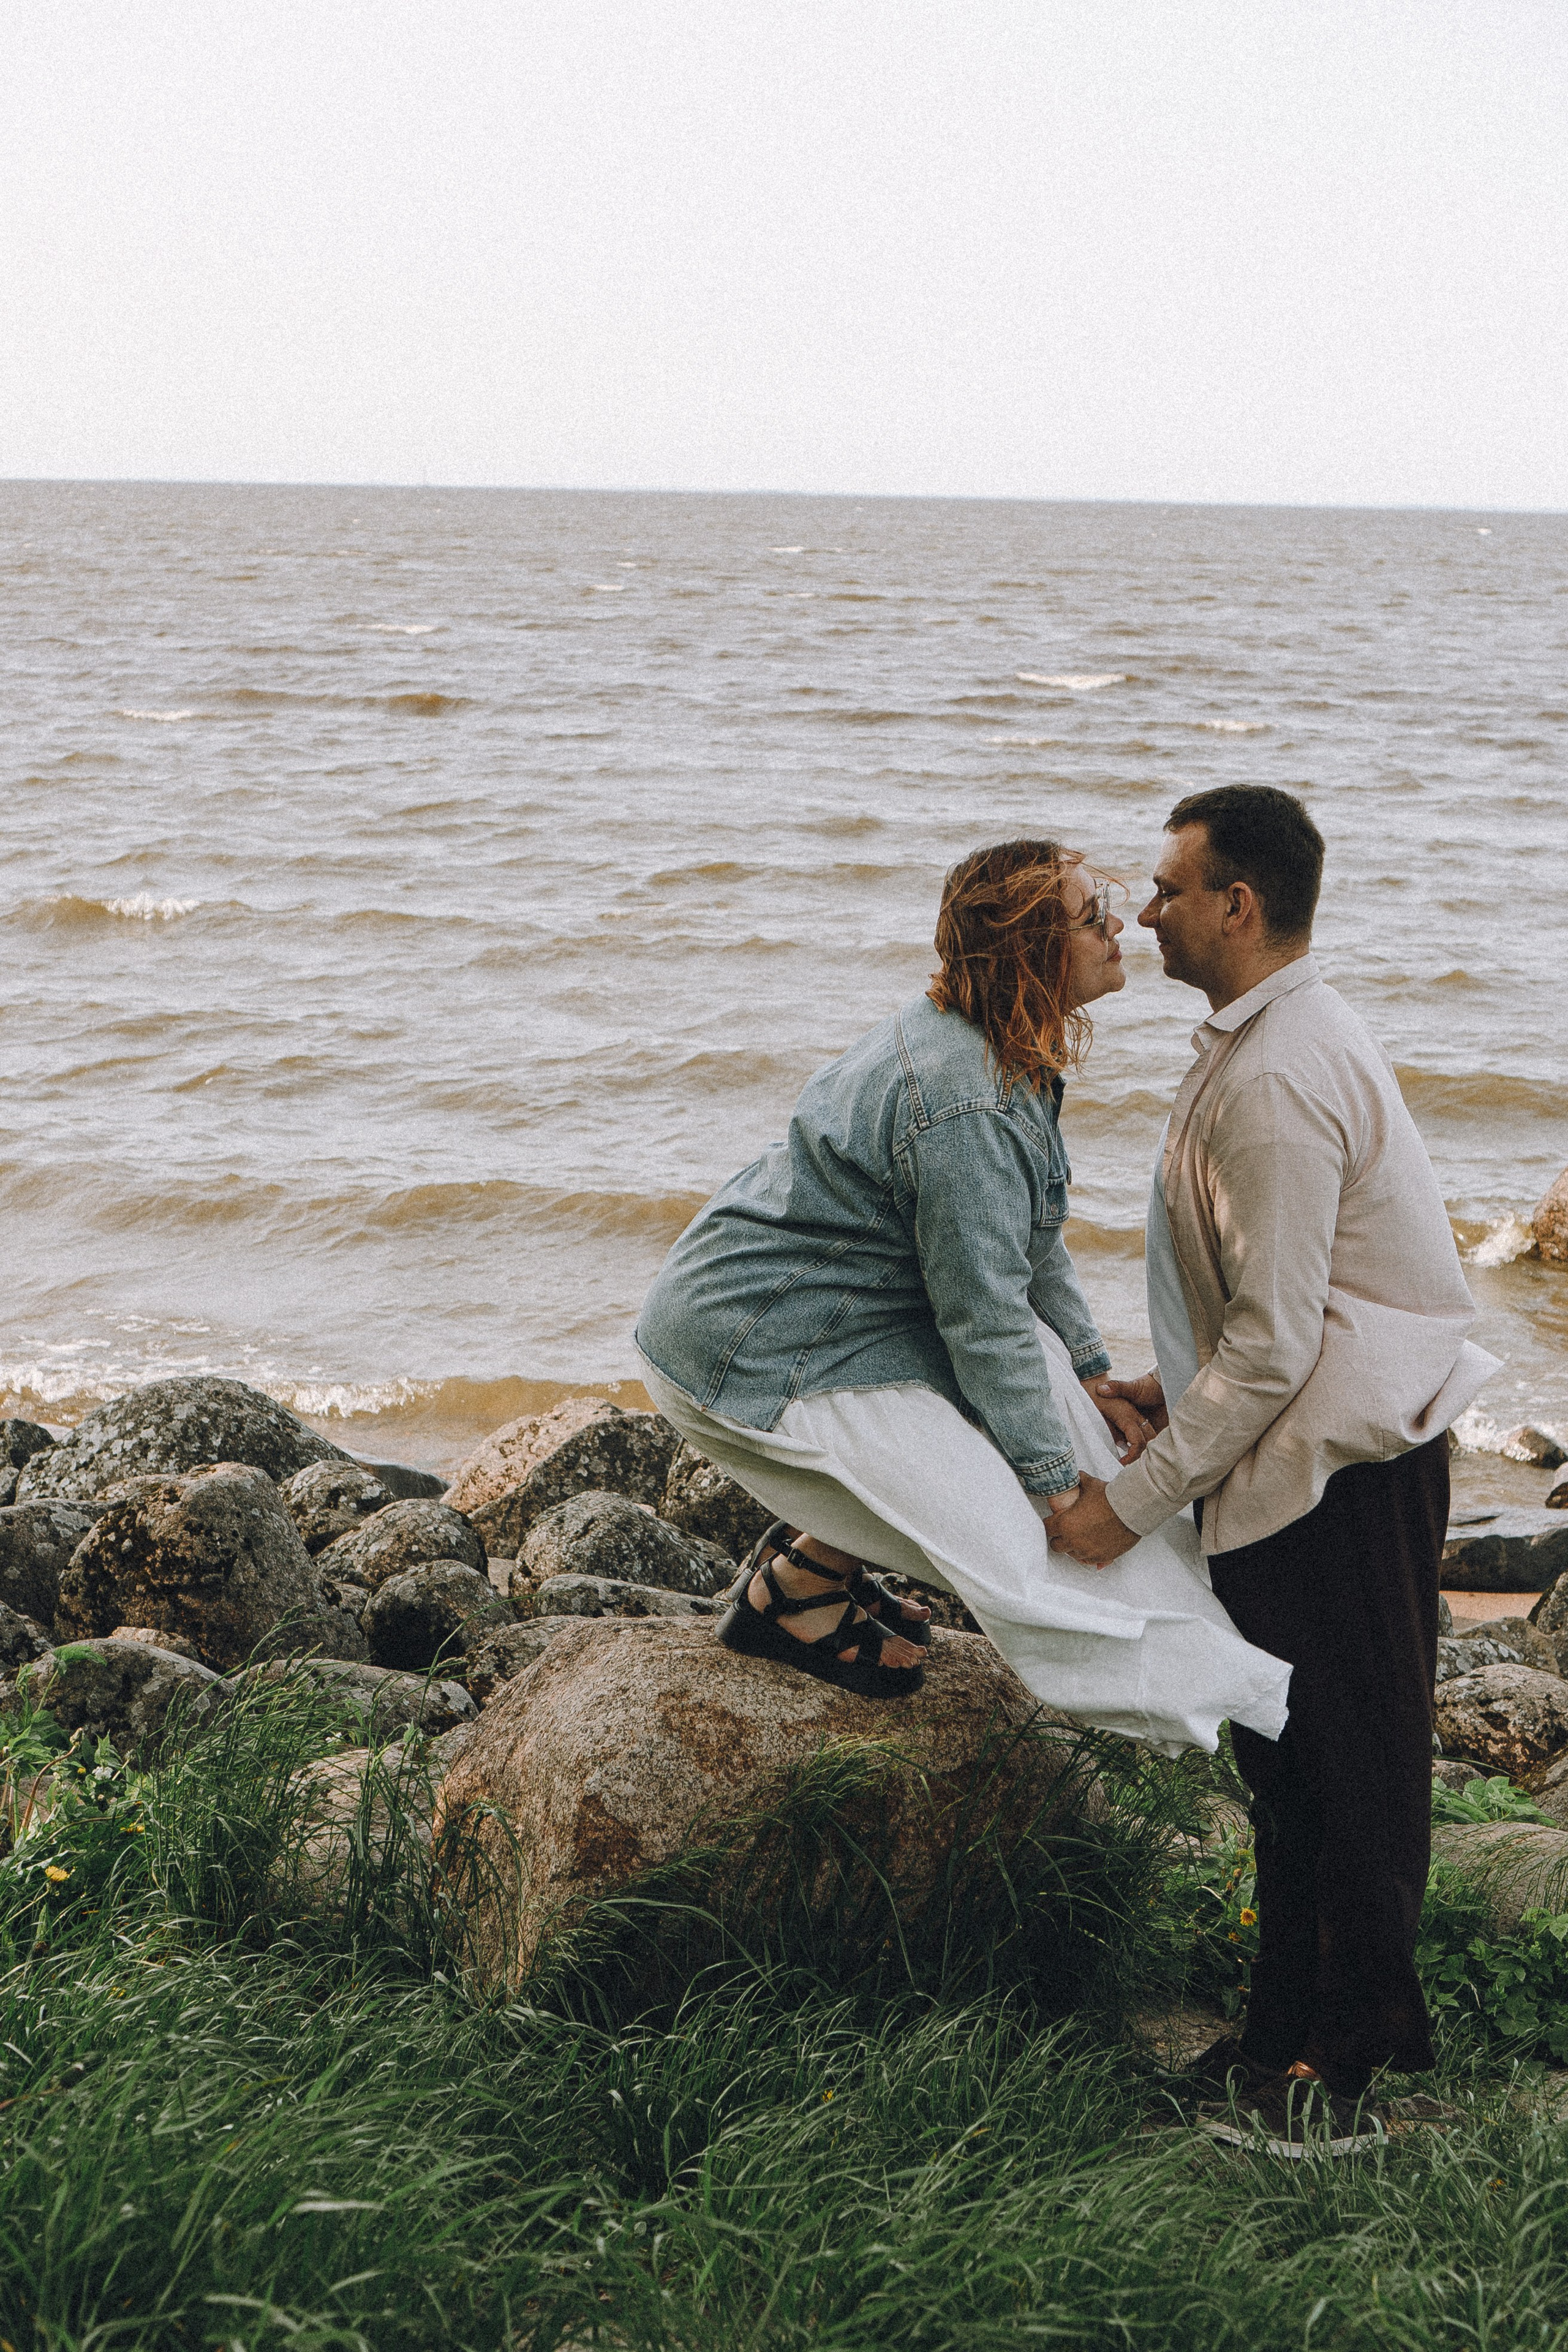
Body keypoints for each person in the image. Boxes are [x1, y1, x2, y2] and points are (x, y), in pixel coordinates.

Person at [1051, 785, 1498, 2158]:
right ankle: (1275, 2041)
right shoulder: (1266, 1034)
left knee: (1345, 1773)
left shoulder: (1276, 1073)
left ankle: (1338, 2075)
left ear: (1235, 904)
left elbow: (1272, 1341)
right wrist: (1155, 1386)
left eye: (1167, 888)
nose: (1142, 910)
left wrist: (1120, 1509)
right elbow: (1252, 1314)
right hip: (1304, 1447)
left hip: (1337, 1469)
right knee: (1287, 1769)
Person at [634, 838, 1291, 1754]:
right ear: (1029, 951)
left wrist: (1094, 1376)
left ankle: (810, 1567)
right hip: (756, 1343)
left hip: (843, 1316)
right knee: (1019, 1549)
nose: (1118, 923)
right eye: (1090, 912)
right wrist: (1063, 1498)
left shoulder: (1000, 1047)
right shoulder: (964, 1099)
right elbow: (984, 1320)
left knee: (1056, 1418)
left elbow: (1030, 1244)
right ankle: (791, 1601)